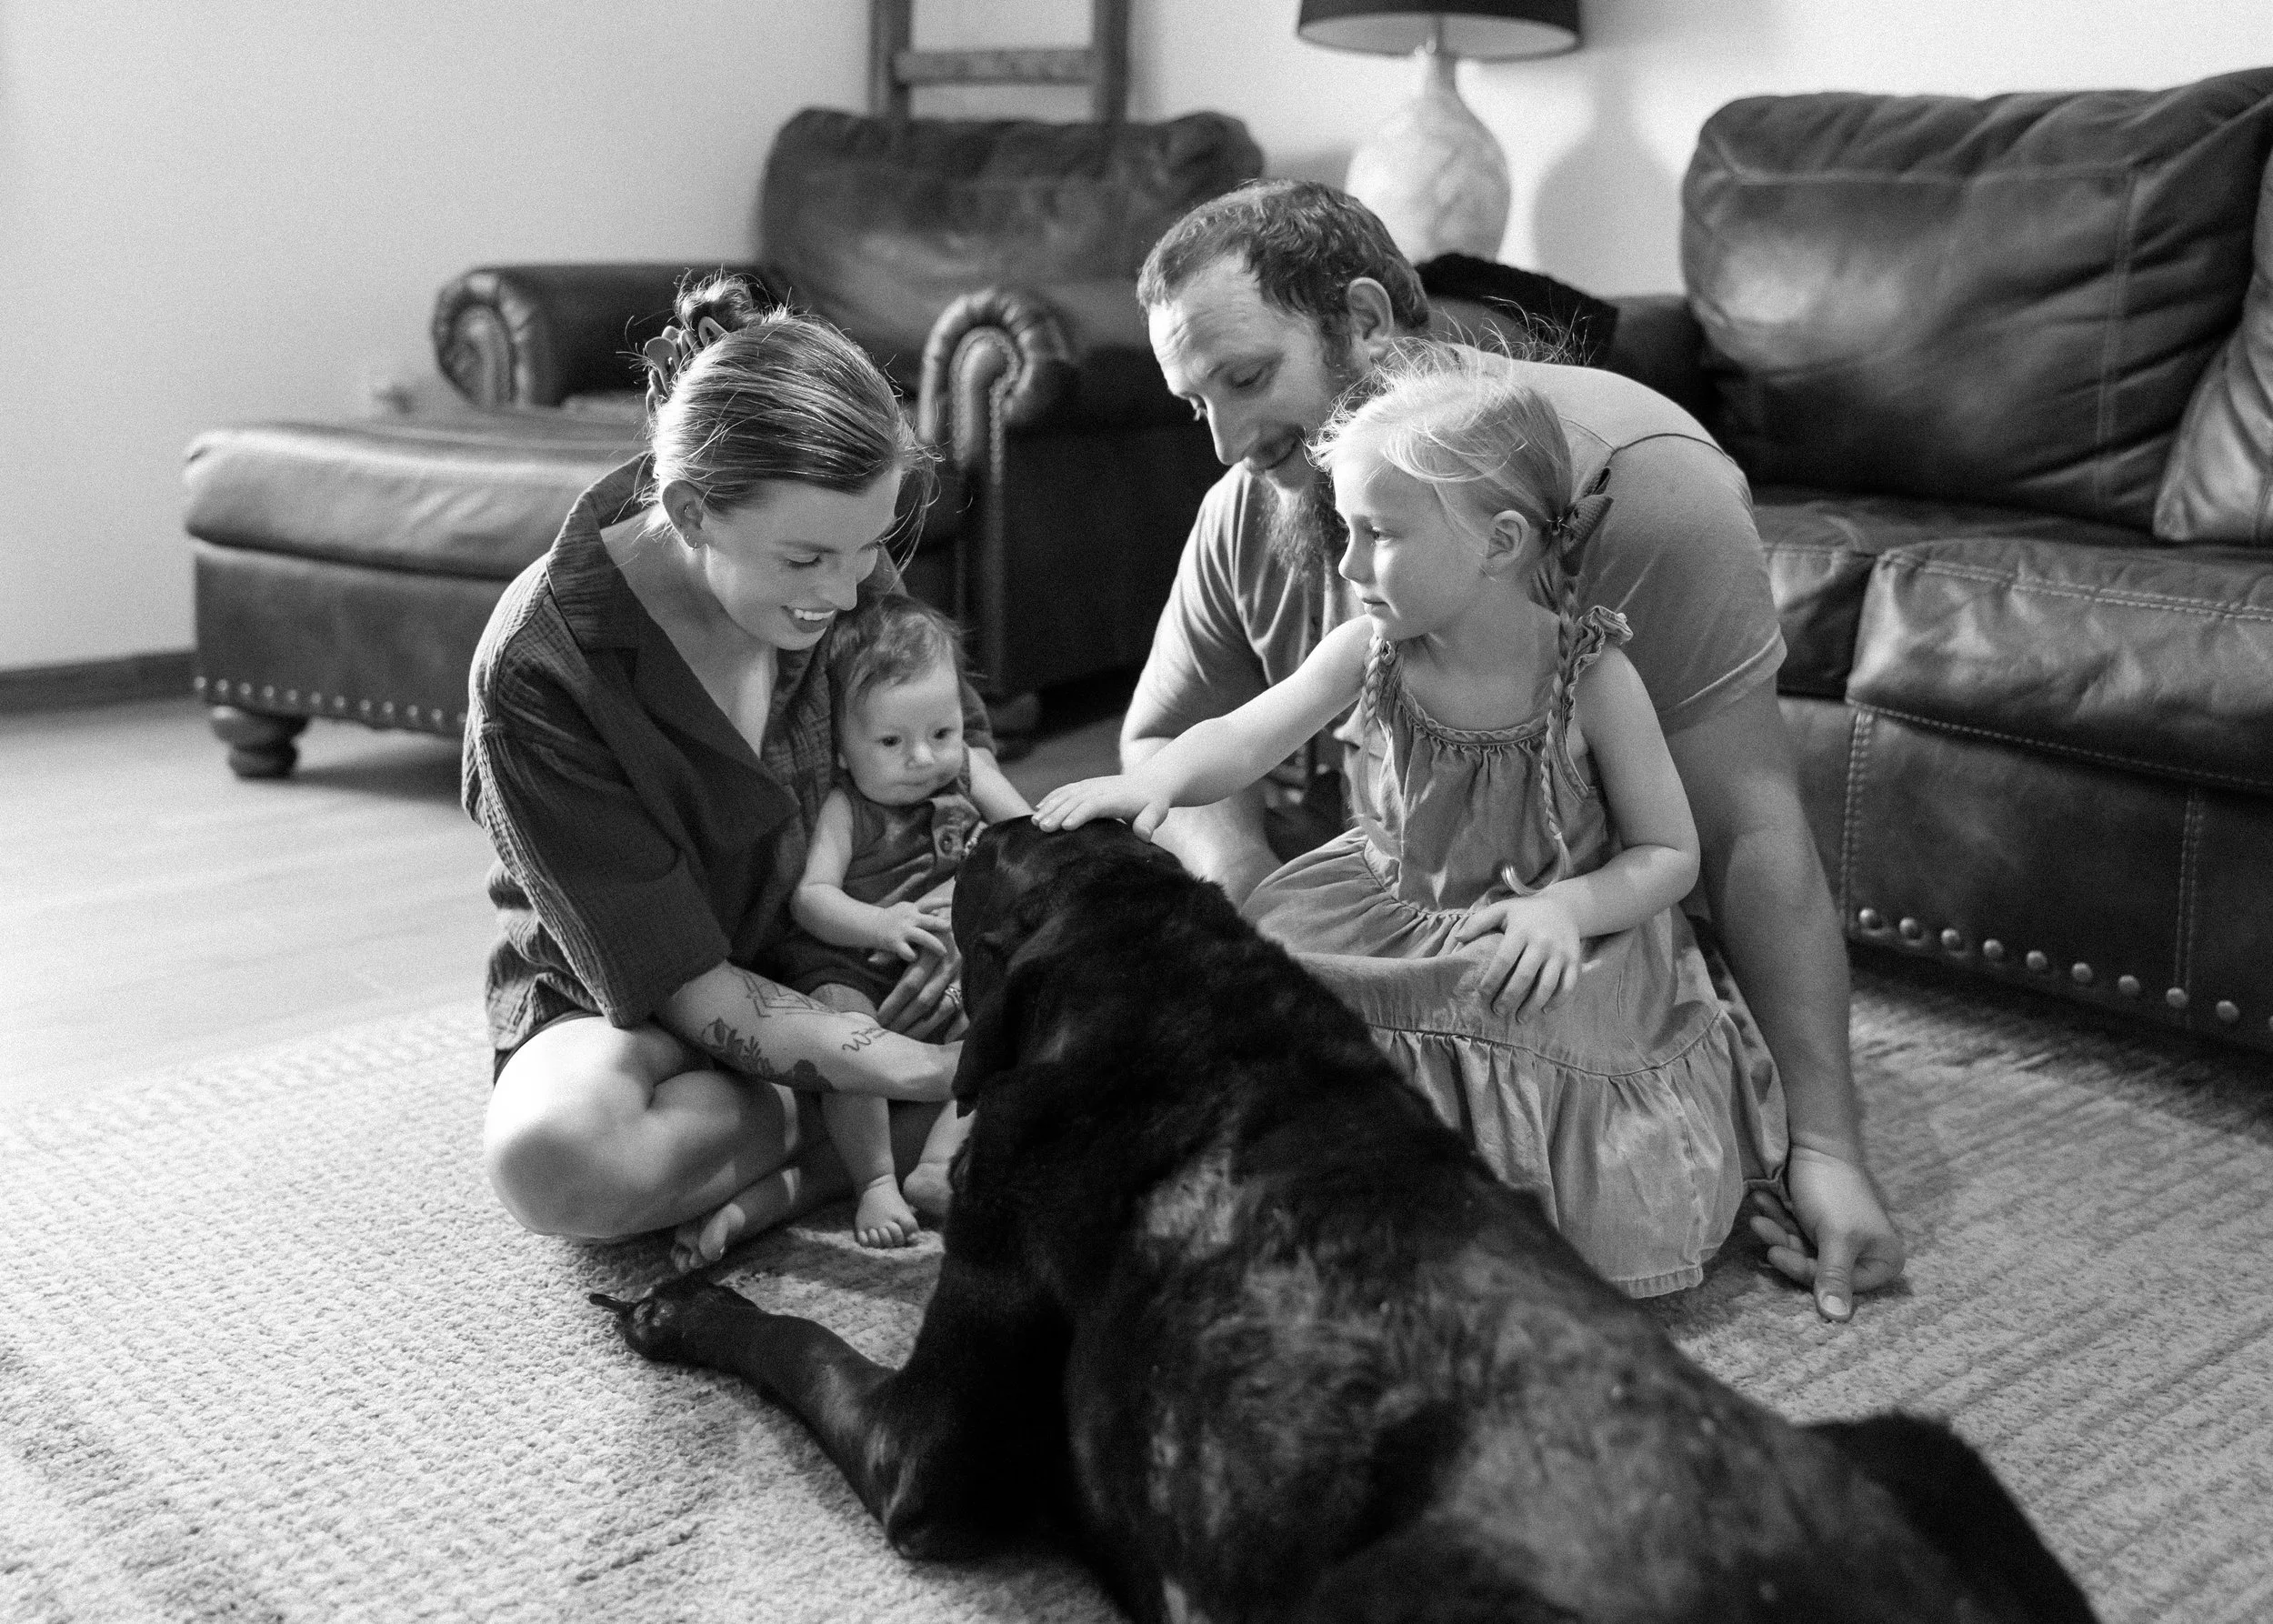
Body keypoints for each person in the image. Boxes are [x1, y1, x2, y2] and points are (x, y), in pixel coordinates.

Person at [1124, 180, 1905, 1318]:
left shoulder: (1645, 486)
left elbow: (1740, 829)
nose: (1229, 446)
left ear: (1365, 320)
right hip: (1367, 902)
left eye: (1244, 379)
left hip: (1564, 946)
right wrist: (1260, 945)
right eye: (1194, 405)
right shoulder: (1251, 501)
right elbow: (1166, 737)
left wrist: (1827, 1147)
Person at [1039, 343, 1783, 1295]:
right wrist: (1159, 779)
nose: (1345, 562)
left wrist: (1568, 908)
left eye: (1376, 534)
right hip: (1382, 906)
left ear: (1500, 544)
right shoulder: (1369, 649)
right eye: (1343, 530)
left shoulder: (1593, 678)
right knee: (1251, 993)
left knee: (1514, 1009)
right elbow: (1239, 735)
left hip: (1549, 937)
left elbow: (1669, 855)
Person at [465, 275, 1018, 1272]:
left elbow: (950, 767)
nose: (848, 592)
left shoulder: (838, 559)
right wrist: (929, 1065)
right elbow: (676, 981)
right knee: (555, 1159)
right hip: (641, 1004)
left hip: (860, 952)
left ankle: (827, 1141)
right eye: (806, 560)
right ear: (691, 509)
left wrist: (957, 928)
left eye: (872, 548)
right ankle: (860, 1126)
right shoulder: (540, 669)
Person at [771, 593, 1030, 1249]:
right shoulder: (846, 807)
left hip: (951, 958)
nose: (922, 759)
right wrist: (880, 926)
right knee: (846, 1041)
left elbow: (1028, 838)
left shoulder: (961, 776)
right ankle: (875, 1181)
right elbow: (812, 899)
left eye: (941, 733)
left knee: (1004, 1029)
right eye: (891, 741)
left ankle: (940, 1167)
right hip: (853, 959)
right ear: (840, 748)